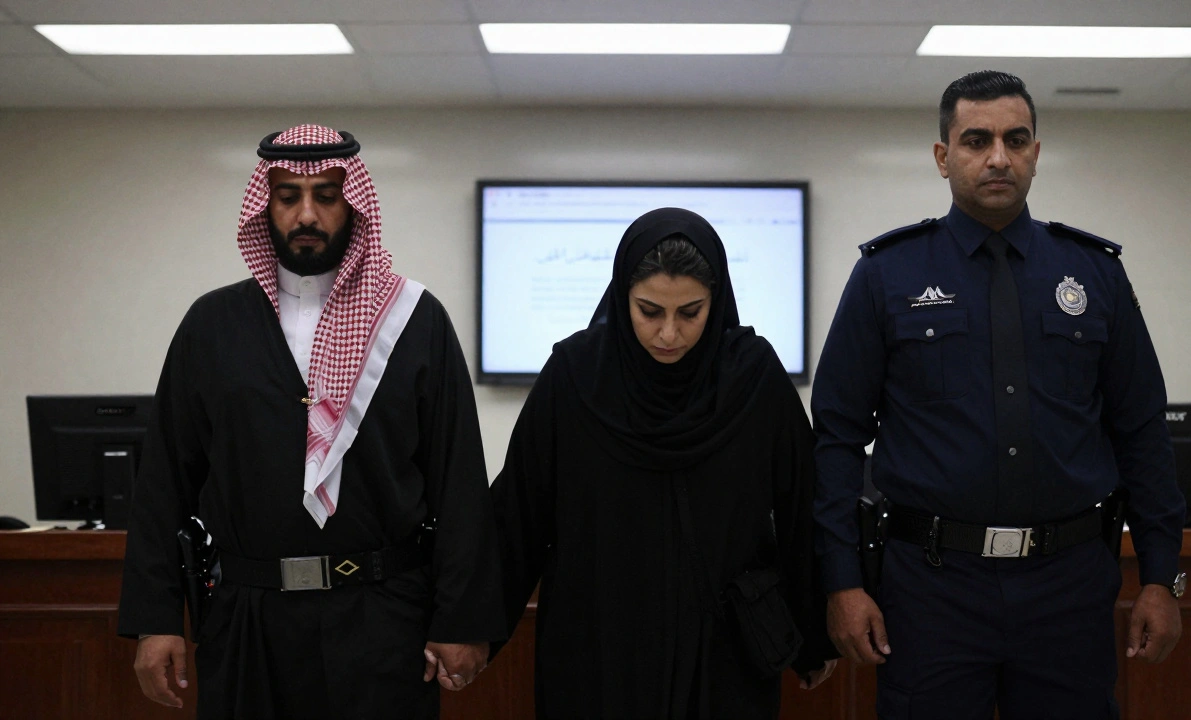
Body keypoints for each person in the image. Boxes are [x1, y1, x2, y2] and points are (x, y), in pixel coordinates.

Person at [812, 71, 1186, 719]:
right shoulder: (886, 274)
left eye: (1015, 140)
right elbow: (837, 437)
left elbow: (1142, 430)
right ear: (943, 156)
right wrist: (841, 581)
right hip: (932, 587)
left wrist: (1161, 576)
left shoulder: (1094, 273)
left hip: (1068, 585)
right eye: (976, 140)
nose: (997, 158)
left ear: (1035, 153)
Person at [118, 124, 505, 718]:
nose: (306, 214)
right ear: (263, 206)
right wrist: (156, 618)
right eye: (287, 196)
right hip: (247, 619)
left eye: (326, 196)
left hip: (383, 617)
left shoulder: (417, 320)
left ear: (353, 205)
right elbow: (164, 481)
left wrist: (463, 619)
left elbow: (459, 480)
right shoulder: (212, 324)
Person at [490, 208, 838, 719]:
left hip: (723, 654)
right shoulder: (575, 377)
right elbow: (518, 517)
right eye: (649, 311)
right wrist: (470, 631)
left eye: (690, 313)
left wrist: (814, 633)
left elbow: (802, 510)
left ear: (716, 302)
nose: (669, 334)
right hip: (597, 646)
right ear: (621, 297)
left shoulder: (753, 379)